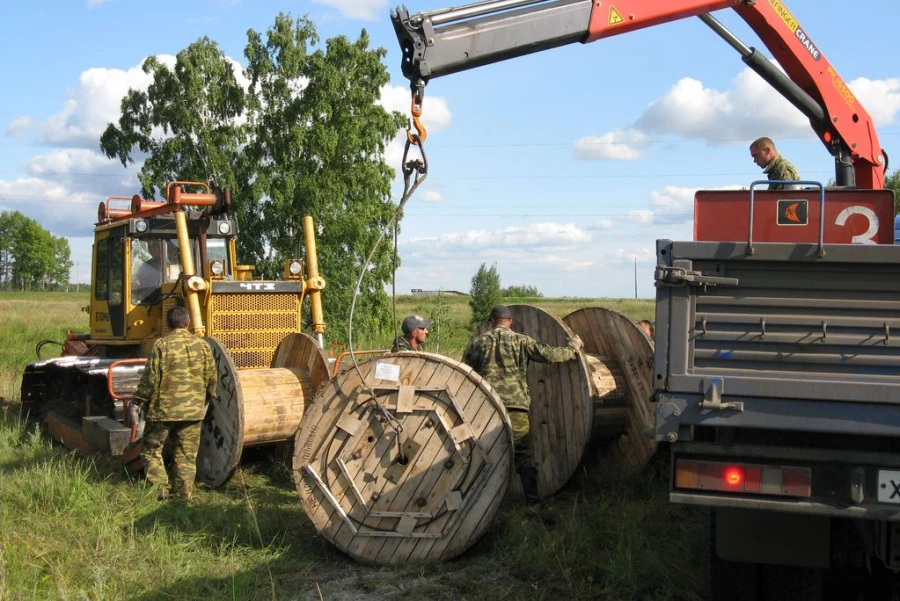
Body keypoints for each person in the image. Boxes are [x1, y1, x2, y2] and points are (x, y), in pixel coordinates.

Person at [462, 305, 583, 504]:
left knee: (486, 453)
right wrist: (572, 348)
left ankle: (485, 504)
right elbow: (551, 355)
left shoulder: (479, 342)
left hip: (488, 407)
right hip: (516, 407)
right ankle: (532, 502)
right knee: (523, 456)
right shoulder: (521, 341)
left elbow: (464, 372)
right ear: (510, 321)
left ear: (492, 321)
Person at [132, 305, 217, 501]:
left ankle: (160, 490)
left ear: (168, 324)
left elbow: (150, 378)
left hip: (163, 411)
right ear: (188, 323)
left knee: (151, 449)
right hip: (193, 412)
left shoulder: (161, 345)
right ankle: (183, 496)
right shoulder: (203, 346)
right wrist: (207, 399)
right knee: (186, 456)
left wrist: (139, 400)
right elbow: (212, 378)